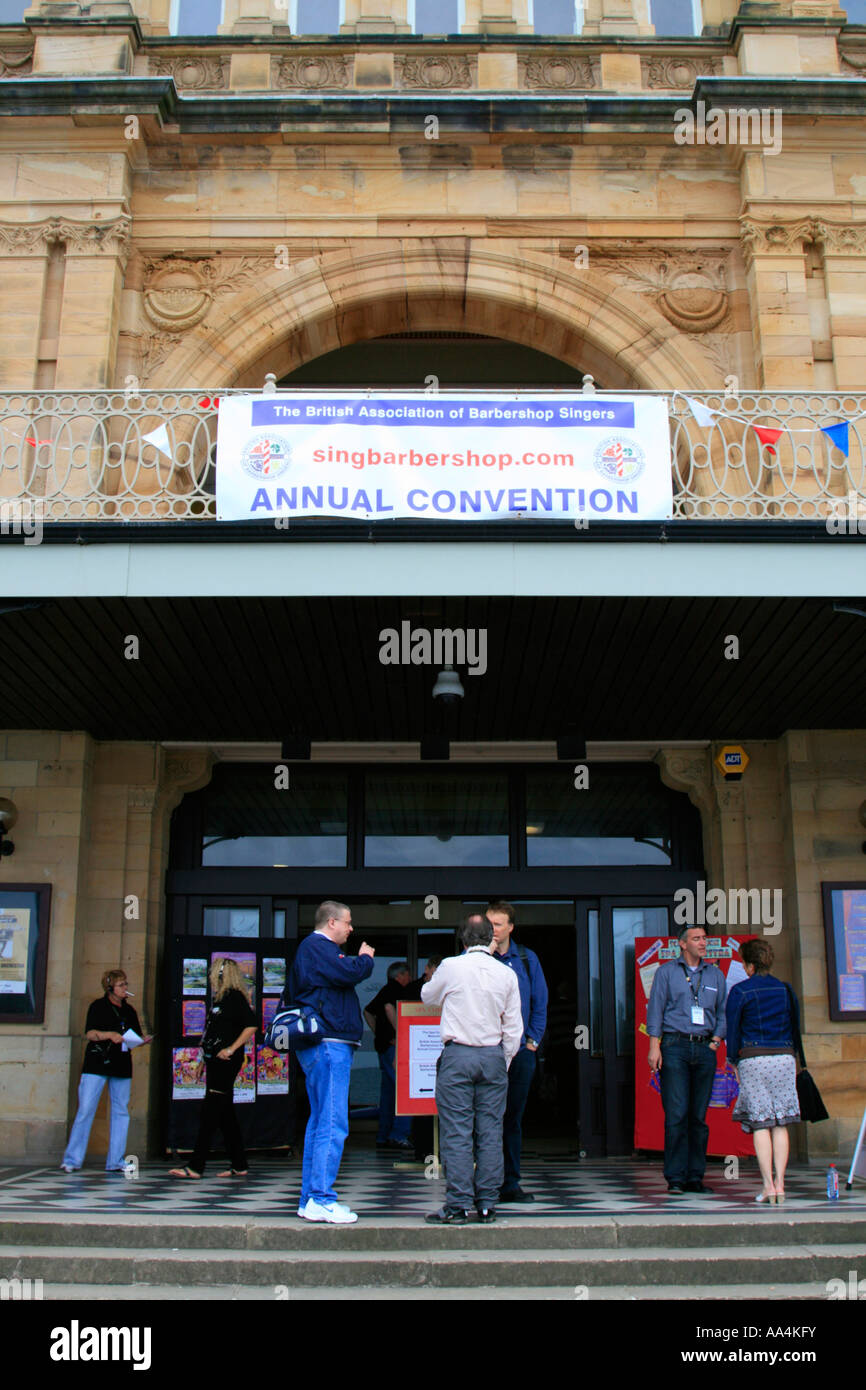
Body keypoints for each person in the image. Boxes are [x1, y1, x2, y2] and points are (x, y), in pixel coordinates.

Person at [421, 914, 523, 1224]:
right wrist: (501, 1060)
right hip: (492, 1056)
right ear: (491, 938)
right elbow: (514, 1028)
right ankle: (488, 1204)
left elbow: (427, 997)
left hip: (458, 1056)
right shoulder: (506, 973)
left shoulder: (452, 966)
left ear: (463, 941)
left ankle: (459, 1205)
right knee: (491, 1131)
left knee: (457, 1132)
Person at [288, 900, 375, 1223]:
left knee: (320, 1121)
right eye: (348, 923)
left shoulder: (313, 949)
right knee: (332, 1122)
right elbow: (348, 971)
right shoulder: (317, 947)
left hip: (322, 1045)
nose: (351, 929)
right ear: (332, 923)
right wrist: (365, 958)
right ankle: (322, 1199)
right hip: (329, 1044)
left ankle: (310, 1199)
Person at [646, 924, 727, 1194]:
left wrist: (716, 1040)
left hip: (704, 1048)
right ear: (682, 944)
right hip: (674, 1045)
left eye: (704, 938)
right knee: (677, 1113)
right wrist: (653, 1046)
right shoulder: (667, 972)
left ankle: (696, 1177)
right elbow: (655, 1010)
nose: (703, 943)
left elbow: (723, 1011)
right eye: (696, 939)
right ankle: (676, 1178)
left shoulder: (715, 974)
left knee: (699, 1117)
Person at [725, 938, 801, 1204]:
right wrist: (796, 1058)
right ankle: (781, 1184)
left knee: (760, 1123)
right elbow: (795, 1026)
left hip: (754, 1058)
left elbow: (732, 1029)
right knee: (781, 1123)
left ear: (749, 965)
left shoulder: (740, 991)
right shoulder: (785, 989)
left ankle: (767, 1185)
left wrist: (732, 1059)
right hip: (784, 1057)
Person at [170, 957, 257, 1179]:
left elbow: (251, 1025)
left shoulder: (235, 997)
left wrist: (231, 1049)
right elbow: (212, 1033)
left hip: (225, 1061)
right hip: (213, 1059)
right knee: (225, 1113)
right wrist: (202, 1061)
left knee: (210, 1112)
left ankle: (195, 1166)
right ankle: (239, 1163)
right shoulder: (219, 999)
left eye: (214, 973)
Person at [486, 900, 548, 1203]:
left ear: (511, 927)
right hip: (484, 1051)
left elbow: (540, 1002)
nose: (493, 930)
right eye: (489, 924)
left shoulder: (527, 959)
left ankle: (510, 1183)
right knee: (484, 1118)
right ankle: (484, 1184)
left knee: (512, 1118)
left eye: (498, 924)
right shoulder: (475, 958)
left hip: (520, 1052)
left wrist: (532, 1042)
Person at [61, 969, 152, 1173]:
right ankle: (72, 1159)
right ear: (110, 987)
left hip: (121, 1064)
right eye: (121, 985)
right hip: (97, 1062)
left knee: (121, 1110)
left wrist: (141, 1041)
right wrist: (109, 1034)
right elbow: (90, 1033)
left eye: (126, 985)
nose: (125, 989)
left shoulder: (129, 1011)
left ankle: (116, 1160)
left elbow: (134, 1036)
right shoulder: (98, 1006)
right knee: (86, 1109)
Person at [364, 960, 412, 1150]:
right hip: (393, 1047)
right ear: (399, 976)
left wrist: (379, 1033)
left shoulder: (384, 990)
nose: (409, 978)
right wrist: (400, 1035)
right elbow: (388, 1008)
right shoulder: (396, 990)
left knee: (388, 1093)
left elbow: (367, 1011)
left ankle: (383, 1135)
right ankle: (399, 1134)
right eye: (407, 974)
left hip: (383, 1047)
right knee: (403, 1089)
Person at [404, 956, 443, 1161]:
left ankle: (441, 1150)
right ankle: (423, 1149)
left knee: (444, 1102)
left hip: (440, 1049)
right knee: (421, 1102)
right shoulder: (414, 989)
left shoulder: (450, 985)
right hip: (419, 1052)